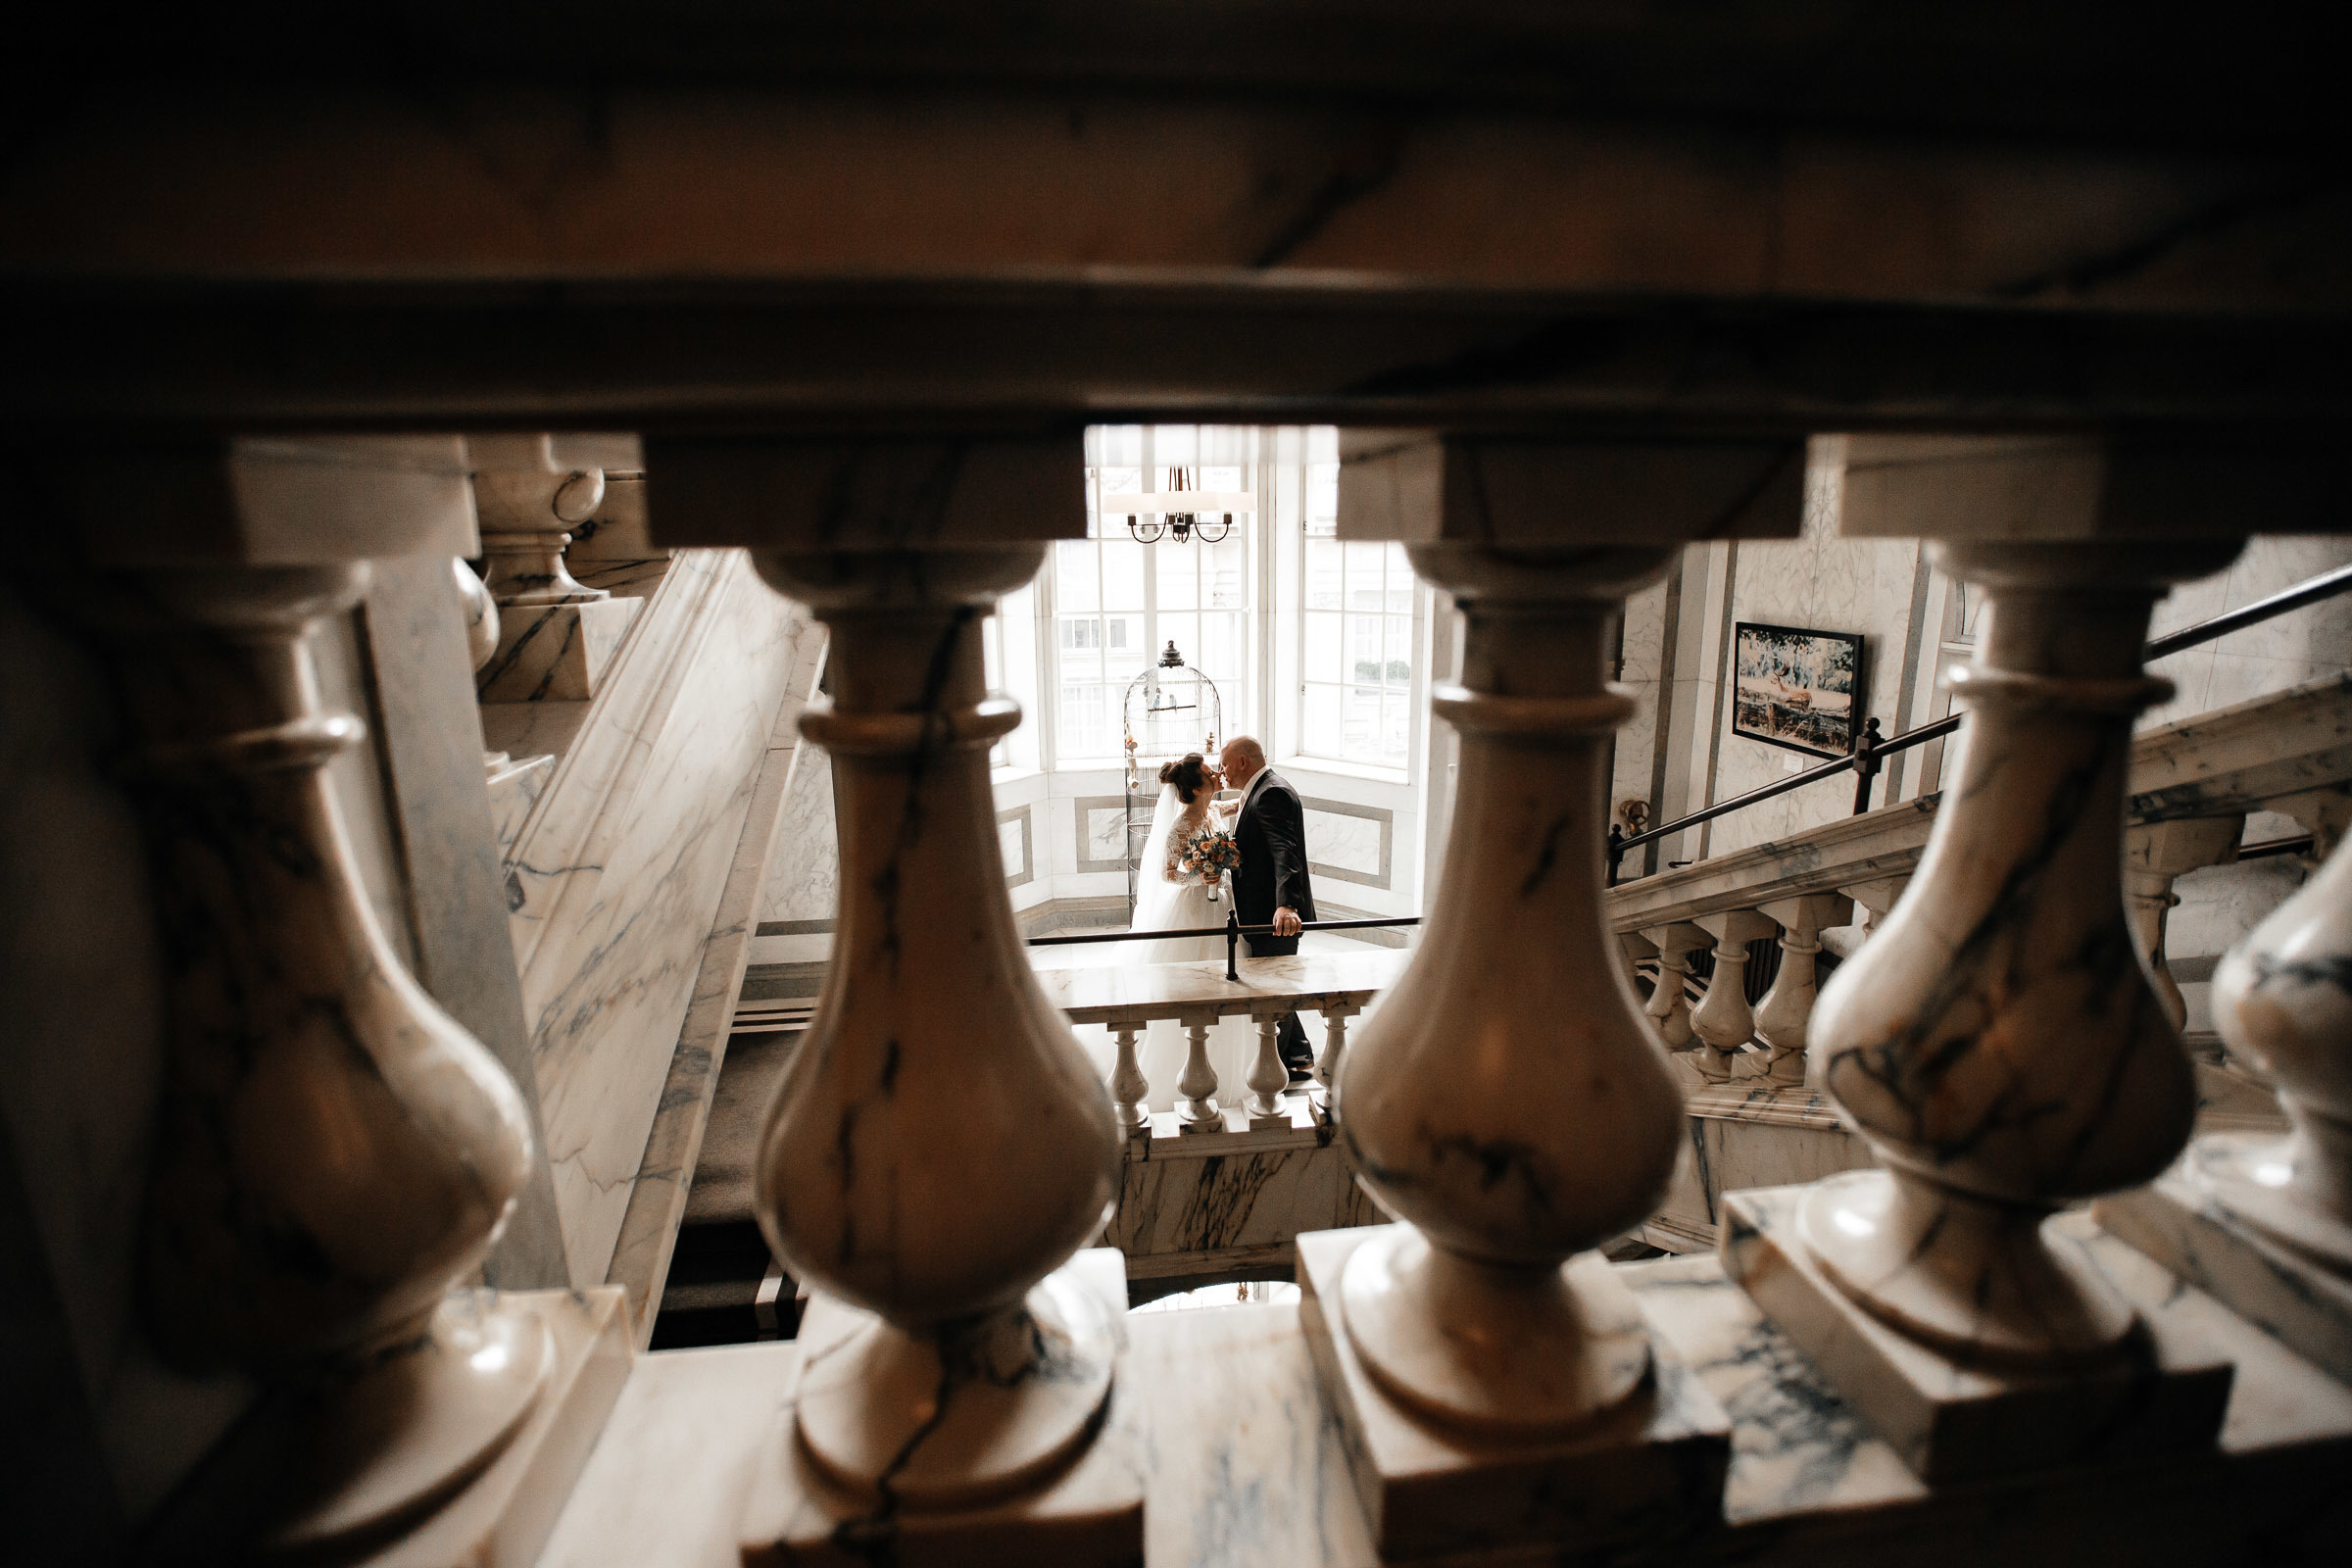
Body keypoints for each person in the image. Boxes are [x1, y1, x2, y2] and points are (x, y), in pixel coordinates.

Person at [1127, 753, 1258, 1116]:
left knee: (1230, 974)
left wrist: (1258, 780)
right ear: (1196, 787)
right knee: (1195, 979)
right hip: (1194, 908)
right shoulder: (1181, 826)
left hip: (1223, 903)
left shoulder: (1213, 809)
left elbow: (1241, 802)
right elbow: (1168, 874)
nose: (1217, 773)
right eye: (1209, 773)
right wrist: (1201, 876)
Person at [1216, 735, 1318, 1079]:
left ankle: (1276, 1065)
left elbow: (1284, 852)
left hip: (1273, 917)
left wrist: (1287, 905)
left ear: (1243, 763)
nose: (1222, 772)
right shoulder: (1260, 790)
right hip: (1258, 912)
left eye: (1225, 764)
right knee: (1273, 981)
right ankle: (1299, 1052)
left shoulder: (1271, 793)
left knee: (1274, 989)